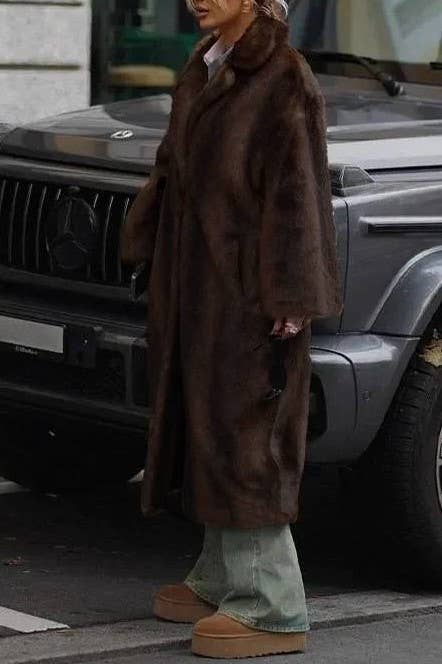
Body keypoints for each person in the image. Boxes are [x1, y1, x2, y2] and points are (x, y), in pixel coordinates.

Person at [120, 0, 343, 658]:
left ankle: (273, 605)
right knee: (207, 426)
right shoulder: (206, 65)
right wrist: (143, 240)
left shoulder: (283, 75)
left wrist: (293, 294)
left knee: (250, 436)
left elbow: (299, 191)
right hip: (197, 286)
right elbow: (172, 167)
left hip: (250, 293)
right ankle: (222, 576)